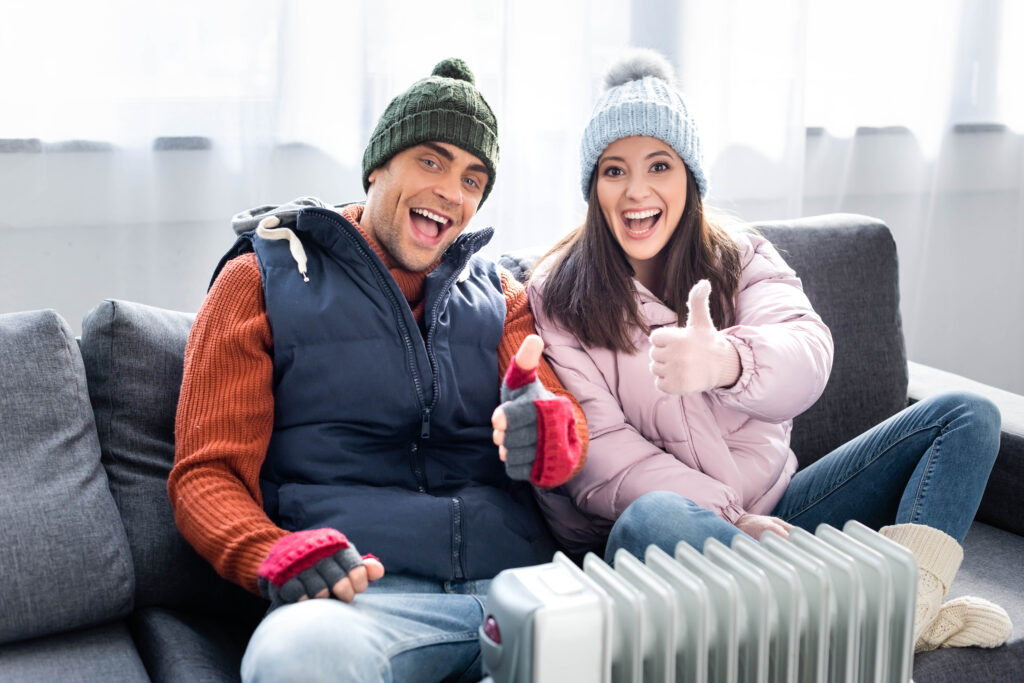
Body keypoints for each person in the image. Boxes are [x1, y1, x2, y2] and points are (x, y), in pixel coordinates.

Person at [527, 49, 1011, 654]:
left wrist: (727, 362)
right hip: (671, 543)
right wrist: (733, 524)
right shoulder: (558, 293)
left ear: (690, 178)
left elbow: (807, 355)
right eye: (614, 171)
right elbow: (599, 457)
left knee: (967, 415)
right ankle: (845, 619)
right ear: (593, 186)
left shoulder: (741, 256)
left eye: (659, 165)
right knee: (655, 518)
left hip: (781, 514)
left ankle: (902, 615)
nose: (637, 191)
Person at [169, 58, 587, 682]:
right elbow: (206, 474)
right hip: (364, 599)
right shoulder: (258, 279)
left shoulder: (504, 296)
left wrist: (554, 434)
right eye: (431, 160)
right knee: (293, 660)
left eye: (474, 179)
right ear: (377, 167)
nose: (452, 190)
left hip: (521, 589)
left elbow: (556, 418)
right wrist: (273, 551)